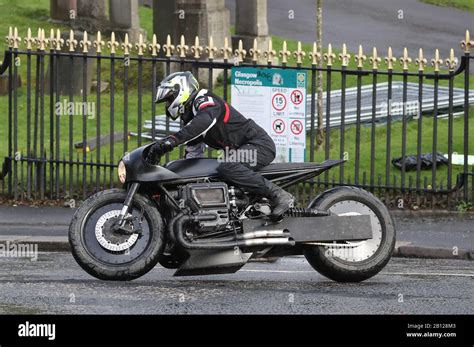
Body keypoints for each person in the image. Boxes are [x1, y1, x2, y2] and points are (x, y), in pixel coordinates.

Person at [147, 71, 294, 217]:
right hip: (243, 149)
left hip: (259, 145)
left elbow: (204, 122)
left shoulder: (204, 100)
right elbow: (192, 155)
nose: (168, 105)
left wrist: (172, 141)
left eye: (169, 99)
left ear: (182, 90)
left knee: (228, 166)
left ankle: (279, 195)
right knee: (212, 173)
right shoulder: (192, 118)